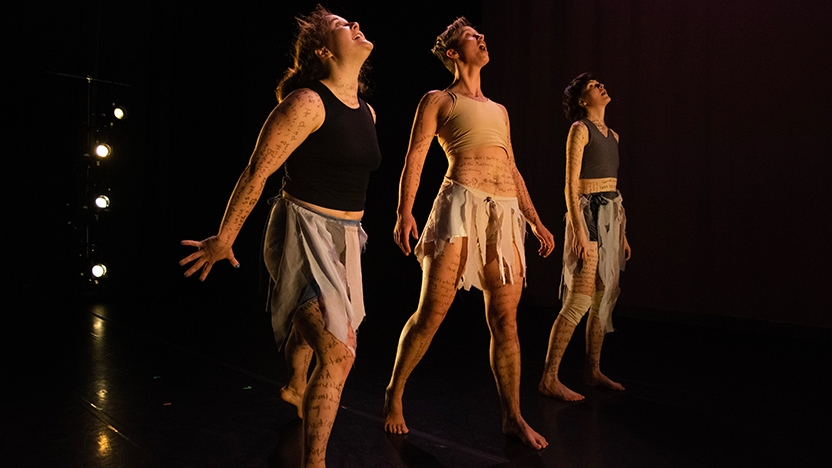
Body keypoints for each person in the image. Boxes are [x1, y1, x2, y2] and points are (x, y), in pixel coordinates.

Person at [179, 6, 380, 467]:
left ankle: (293, 382)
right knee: (339, 350)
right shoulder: (308, 102)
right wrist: (224, 237)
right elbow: (258, 171)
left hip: (346, 238)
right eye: (340, 25)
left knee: (314, 330)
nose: (355, 24)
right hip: (302, 232)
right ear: (322, 51)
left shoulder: (369, 111)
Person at [383, 17, 553, 450]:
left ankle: (512, 417)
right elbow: (415, 157)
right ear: (453, 53)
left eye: (481, 35)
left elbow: (511, 168)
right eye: (473, 37)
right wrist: (405, 212)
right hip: (460, 204)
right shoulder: (438, 100)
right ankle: (394, 392)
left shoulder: (499, 110)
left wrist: (535, 219)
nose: (483, 39)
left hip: (505, 213)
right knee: (431, 313)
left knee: (505, 320)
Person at [538, 73, 631, 402]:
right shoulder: (580, 130)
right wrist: (579, 228)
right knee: (580, 297)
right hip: (587, 216)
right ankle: (549, 377)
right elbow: (571, 183)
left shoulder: (614, 136)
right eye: (593, 86)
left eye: (600, 84)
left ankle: (592, 370)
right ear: (581, 100)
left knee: (603, 296)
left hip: (609, 218)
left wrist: (622, 233)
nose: (601, 86)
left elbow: (613, 190)